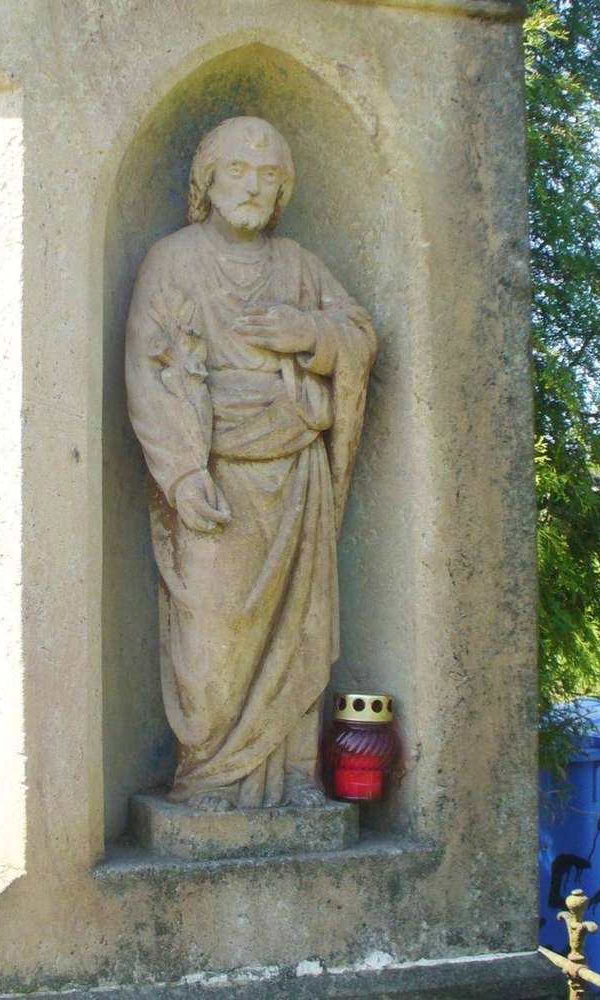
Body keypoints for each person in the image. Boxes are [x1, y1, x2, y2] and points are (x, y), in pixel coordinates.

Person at [125, 116, 377, 811]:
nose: (253, 187)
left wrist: (310, 333)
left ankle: (293, 774)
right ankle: (208, 774)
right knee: (212, 633)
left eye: (269, 176)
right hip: (215, 474)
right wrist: (181, 472)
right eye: (237, 171)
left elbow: (359, 333)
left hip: (295, 469)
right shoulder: (172, 261)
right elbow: (148, 370)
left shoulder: (298, 265)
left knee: (299, 629)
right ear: (207, 181)